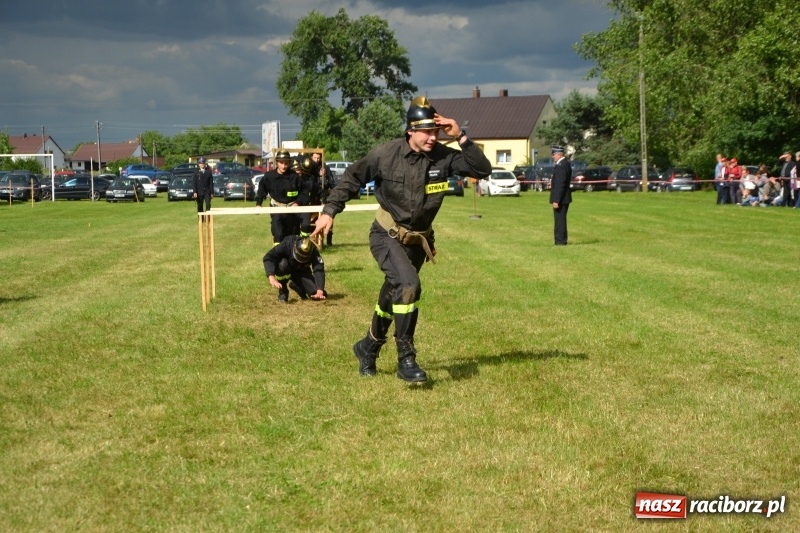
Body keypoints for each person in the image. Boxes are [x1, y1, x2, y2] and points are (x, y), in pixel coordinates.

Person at [312, 96, 492, 382]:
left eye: (436, 131)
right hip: (386, 235)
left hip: (418, 242)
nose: (433, 137)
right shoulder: (385, 155)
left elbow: (483, 170)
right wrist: (329, 212)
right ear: (411, 131)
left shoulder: (444, 156)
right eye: (427, 132)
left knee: (395, 293)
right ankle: (406, 358)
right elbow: (351, 179)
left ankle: (368, 346)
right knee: (409, 286)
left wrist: (460, 136)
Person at [256, 150, 309, 246]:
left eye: (286, 163)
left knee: (294, 237)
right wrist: (258, 204)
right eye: (281, 163)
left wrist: (297, 202)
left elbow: (305, 192)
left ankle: (303, 244)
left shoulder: (295, 177)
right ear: (277, 162)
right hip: (277, 210)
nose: (284, 166)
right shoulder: (269, 176)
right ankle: (278, 254)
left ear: (289, 163)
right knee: (278, 234)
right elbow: (261, 190)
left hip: (293, 211)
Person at [263, 235, 326, 303]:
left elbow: (319, 268)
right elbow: (268, 257)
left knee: (316, 293)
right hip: (286, 267)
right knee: (282, 264)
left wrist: (320, 290)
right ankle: (283, 291)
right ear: (295, 248)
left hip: (301, 270)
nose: (300, 260)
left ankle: (297, 286)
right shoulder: (287, 244)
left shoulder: (313, 250)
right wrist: (271, 276)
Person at [549, 145, 572, 245]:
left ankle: (560, 241)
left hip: (561, 199)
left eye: (553, 154)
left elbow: (560, 184)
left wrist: (556, 200)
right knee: (559, 220)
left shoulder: (562, 165)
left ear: (559, 154)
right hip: (563, 197)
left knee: (560, 221)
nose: (552, 156)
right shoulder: (564, 164)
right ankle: (560, 240)